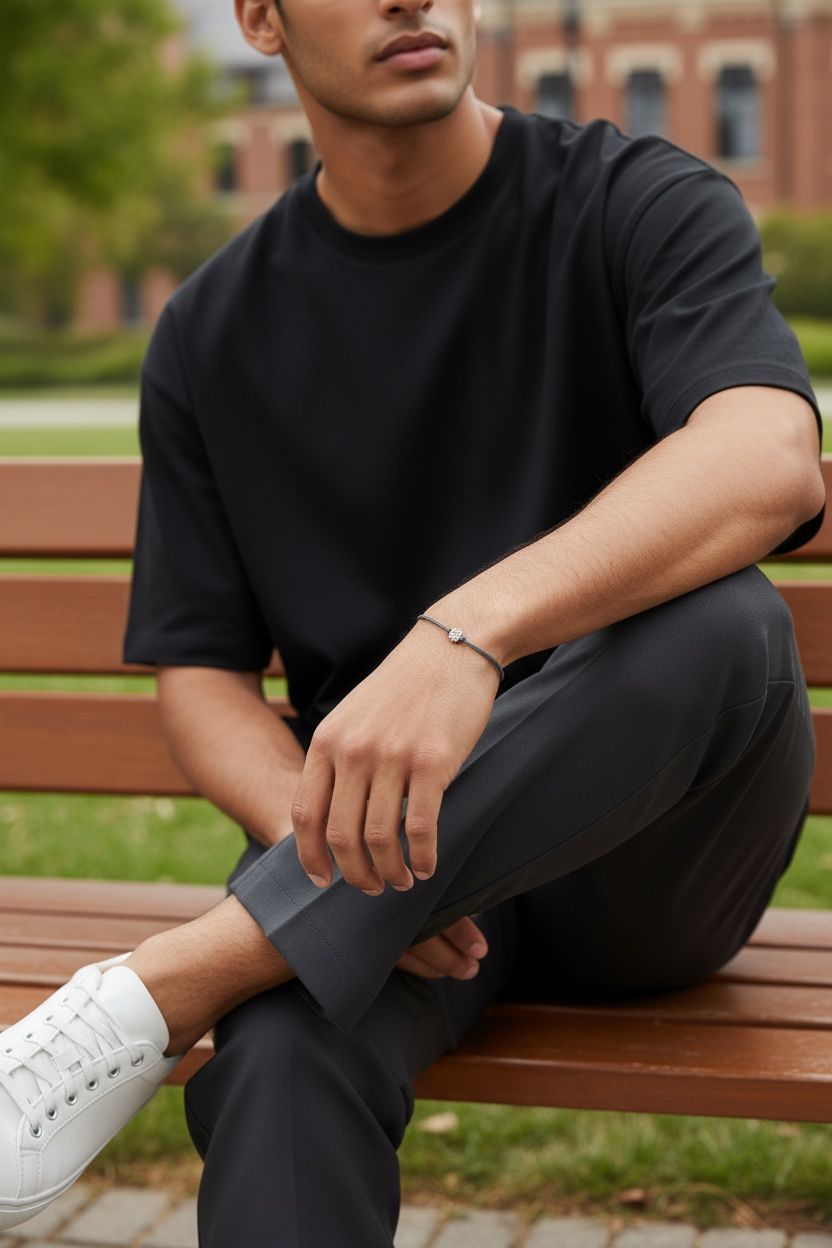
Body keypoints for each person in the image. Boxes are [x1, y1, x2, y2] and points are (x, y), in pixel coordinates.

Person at [0, 0, 827, 1241]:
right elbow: (201, 672)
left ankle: (153, 993)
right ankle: (263, 949)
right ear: (261, 21)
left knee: (725, 623)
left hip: (653, 862)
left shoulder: (635, 199)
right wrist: (321, 846)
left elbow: (768, 459)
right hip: (390, 859)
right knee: (280, 1046)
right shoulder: (211, 330)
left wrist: (468, 636)